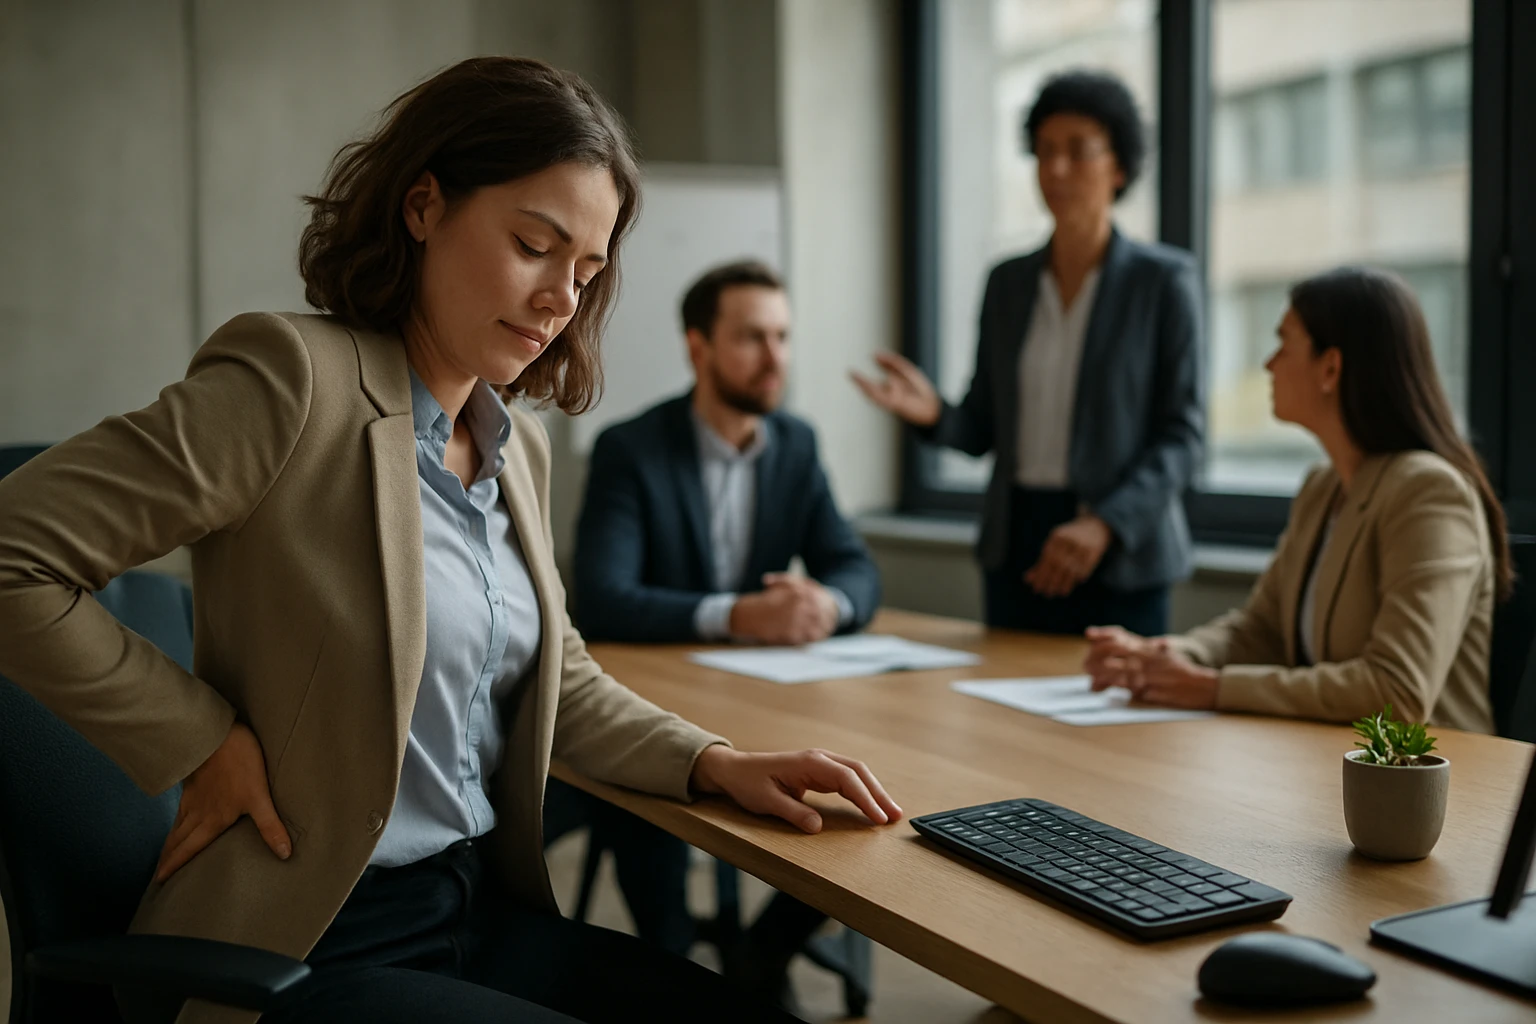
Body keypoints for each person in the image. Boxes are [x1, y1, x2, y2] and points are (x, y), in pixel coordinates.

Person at [0, 57, 902, 1024]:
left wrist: (713, 761)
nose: (561, 299)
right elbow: (15, 555)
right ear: (423, 205)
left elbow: (559, 681)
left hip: (477, 912)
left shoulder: (518, 447)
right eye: (534, 245)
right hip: (312, 938)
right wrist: (200, 739)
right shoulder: (290, 383)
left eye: (586, 272)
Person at [556, 260, 882, 1010]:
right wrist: (737, 615)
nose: (774, 358)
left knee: (855, 785)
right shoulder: (632, 447)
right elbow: (604, 599)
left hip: (766, 699)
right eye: (751, 338)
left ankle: (761, 958)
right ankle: (674, 968)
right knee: (646, 788)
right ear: (698, 347)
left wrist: (829, 604)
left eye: (782, 337)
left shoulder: (794, 444)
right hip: (651, 698)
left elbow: (855, 567)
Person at [852, 70, 1203, 637]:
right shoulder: (1008, 283)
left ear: (1119, 167)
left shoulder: (1163, 283)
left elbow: (1183, 436)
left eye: (1077, 151)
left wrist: (1106, 523)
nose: (1056, 169)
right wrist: (934, 414)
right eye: (1044, 151)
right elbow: (983, 428)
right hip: (1018, 543)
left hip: (1119, 548)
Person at [1084, 267, 1508, 733]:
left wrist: (1213, 688)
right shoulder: (1323, 488)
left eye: (1284, 344)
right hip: (1328, 757)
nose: (1269, 364)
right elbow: (1260, 631)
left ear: (1331, 368)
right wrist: (1165, 656)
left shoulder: (1429, 493)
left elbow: (1397, 691)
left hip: (1432, 772)